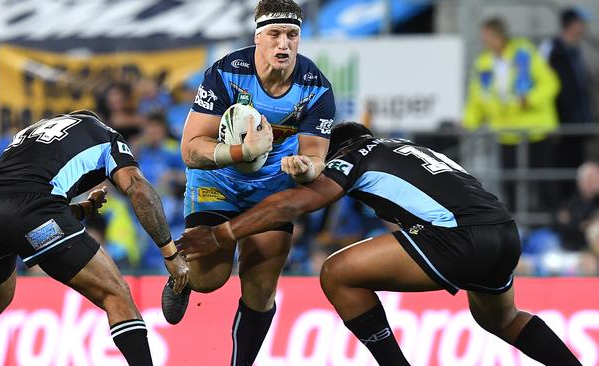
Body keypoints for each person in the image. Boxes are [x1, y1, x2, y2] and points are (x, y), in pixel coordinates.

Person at [178, 122, 581, 365]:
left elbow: (296, 203)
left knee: (336, 273)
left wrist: (222, 233)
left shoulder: (352, 155)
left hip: (459, 237)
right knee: (502, 319)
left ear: (334, 152)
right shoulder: (410, 149)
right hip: (504, 231)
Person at [163, 0, 335, 364]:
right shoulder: (227, 73)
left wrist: (304, 169)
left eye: (292, 35)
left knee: (261, 287)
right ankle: (182, 274)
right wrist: (243, 151)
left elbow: (316, 159)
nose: (283, 44)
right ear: (258, 38)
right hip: (218, 179)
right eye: (274, 34)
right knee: (210, 279)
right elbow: (191, 150)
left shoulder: (316, 87)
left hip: (271, 187)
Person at [0, 110, 189, 366]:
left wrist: (79, 210)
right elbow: (139, 190)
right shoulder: (106, 137)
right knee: (115, 294)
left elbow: (19, 191)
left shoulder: (29, 134)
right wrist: (170, 254)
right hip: (33, 212)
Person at [463, 17, 560, 211]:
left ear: (500, 36)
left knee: (543, 185)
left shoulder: (525, 54)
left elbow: (551, 83)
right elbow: (477, 99)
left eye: (488, 37)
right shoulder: (484, 62)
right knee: (510, 186)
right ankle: (518, 228)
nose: (485, 42)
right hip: (505, 134)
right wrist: (468, 122)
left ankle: (549, 229)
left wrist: (529, 99)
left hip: (535, 131)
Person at [540, 7, 594, 187]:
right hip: (562, 123)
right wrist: (553, 120)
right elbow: (549, 86)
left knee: (577, 167)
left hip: (578, 121)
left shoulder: (575, 51)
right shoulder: (554, 49)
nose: (583, 28)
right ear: (571, 25)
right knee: (562, 166)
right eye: (580, 23)